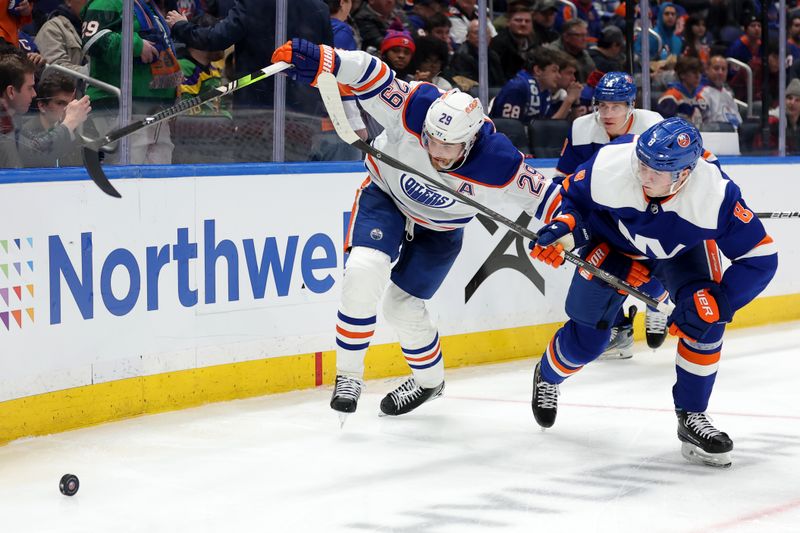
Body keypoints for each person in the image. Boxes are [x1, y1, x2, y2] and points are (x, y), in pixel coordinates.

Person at [271, 38, 563, 419]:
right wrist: (332, 59)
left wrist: (564, 230)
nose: (437, 152)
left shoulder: (500, 162)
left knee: (402, 306)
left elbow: (549, 199)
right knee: (363, 271)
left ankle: (429, 383)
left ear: (471, 139)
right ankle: (348, 376)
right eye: (432, 141)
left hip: (441, 228)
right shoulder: (415, 106)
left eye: (449, 147)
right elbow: (372, 74)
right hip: (387, 196)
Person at [529, 117, 778, 468]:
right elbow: (571, 199)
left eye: (657, 172)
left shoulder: (715, 195)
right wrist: (566, 229)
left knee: (705, 319)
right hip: (609, 245)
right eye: (642, 164)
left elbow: (761, 259)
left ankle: (692, 416)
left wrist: (719, 303)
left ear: (684, 174)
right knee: (588, 341)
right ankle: (547, 375)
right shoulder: (613, 162)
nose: (644, 176)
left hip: (679, 254)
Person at [556, 72, 667, 356]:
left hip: (641, 211)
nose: (607, 113)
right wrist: (564, 218)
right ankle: (621, 329)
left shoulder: (652, 125)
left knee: (649, 264)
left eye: (615, 106)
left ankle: (657, 301)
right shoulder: (582, 128)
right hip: (602, 218)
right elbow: (564, 180)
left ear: (631, 105)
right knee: (599, 270)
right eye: (602, 105)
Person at [82, 0, 180, 165]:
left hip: (156, 114)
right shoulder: (106, 3)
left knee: (161, 185)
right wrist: (136, 45)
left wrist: (173, 94)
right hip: (122, 110)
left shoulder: (150, 7)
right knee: (125, 180)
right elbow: (92, 41)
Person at [19, 72, 91, 167]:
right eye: (60, 103)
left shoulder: (75, 132)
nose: (68, 109)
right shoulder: (26, 134)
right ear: (42, 106)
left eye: (70, 104)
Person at [489, 47, 560, 124]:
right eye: (554, 71)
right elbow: (508, 127)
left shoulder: (545, 92)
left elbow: (547, 126)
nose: (559, 76)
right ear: (538, 70)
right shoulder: (517, 88)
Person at [0, 50, 36, 168]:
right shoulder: (3, 123)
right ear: (11, 91)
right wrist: (69, 124)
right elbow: (39, 151)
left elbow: (35, 143)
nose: (34, 94)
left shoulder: (11, 116)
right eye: (30, 88)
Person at [34, 0, 88, 74]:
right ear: (68, 1)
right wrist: (93, 72)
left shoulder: (101, 29)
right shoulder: (52, 29)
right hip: (75, 84)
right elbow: (55, 73)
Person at [657, 56, 709, 127]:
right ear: (682, 75)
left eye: (700, 72)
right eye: (694, 72)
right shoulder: (671, 98)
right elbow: (665, 127)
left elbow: (707, 125)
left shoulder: (700, 99)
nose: (698, 76)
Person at [700, 55, 742, 130]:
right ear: (707, 70)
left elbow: (738, 120)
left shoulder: (728, 93)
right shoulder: (701, 92)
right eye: (716, 68)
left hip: (734, 134)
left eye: (723, 69)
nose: (720, 72)